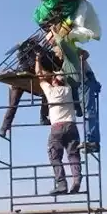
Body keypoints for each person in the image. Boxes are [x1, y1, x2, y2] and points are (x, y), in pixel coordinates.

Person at [35, 53, 82, 195]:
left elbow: (39, 74)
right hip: (72, 126)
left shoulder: (50, 91)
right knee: (73, 155)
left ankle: (61, 184)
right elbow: (67, 77)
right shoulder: (68, 90)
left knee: (55, 156)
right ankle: (77, 180)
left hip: (57, 127)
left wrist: (38, 58)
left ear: (54, 80)